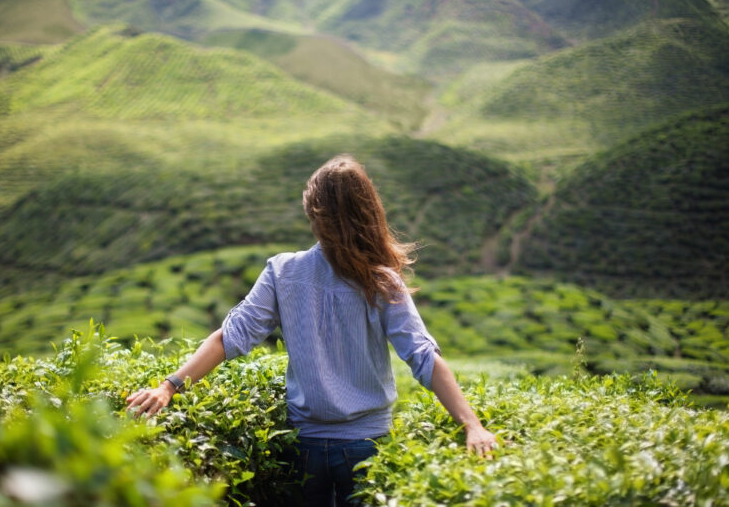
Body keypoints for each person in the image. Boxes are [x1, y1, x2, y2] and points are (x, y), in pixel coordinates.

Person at [125, 155, 497, 505]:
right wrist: (472, 425)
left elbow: (230, 337)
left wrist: (169, 385)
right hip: (368, 444)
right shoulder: (383, 282)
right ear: (368, 213)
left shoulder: (284, 271)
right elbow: (423, 356)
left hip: (303, 446)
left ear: (314, 214)